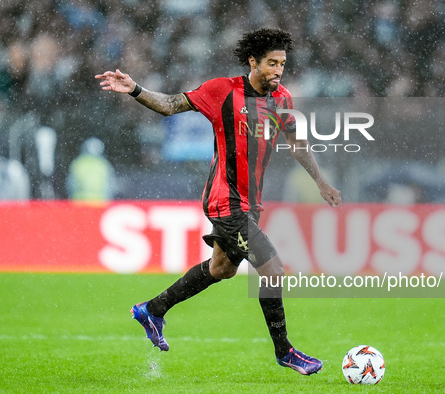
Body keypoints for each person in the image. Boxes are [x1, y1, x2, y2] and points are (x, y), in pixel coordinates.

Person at [95, 28, 341, 376]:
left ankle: (152, 309)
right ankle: (285, 351)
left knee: (221, 269)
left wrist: (321, 181)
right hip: (225, 201)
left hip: (250, 203)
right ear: (253, 62)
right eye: (271, 63)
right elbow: (169, 105)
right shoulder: (222, 91)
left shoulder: (282, 99)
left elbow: (296, 143)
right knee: (272, 270)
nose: (277, 71)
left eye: (282, 64)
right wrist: (134, 89)